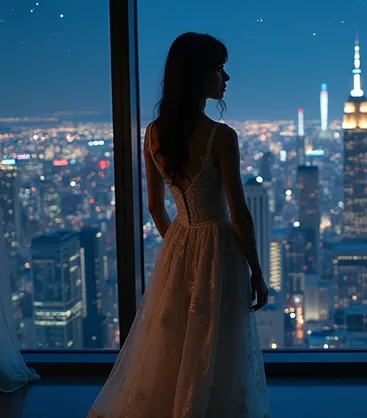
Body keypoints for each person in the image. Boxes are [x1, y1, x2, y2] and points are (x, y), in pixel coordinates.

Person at [87, 32, 270, 418]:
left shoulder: (154, 134)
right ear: (198, 76)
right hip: (220, 247)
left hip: (179, 242)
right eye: (219, 68)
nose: (226, 77)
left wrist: (180, 246)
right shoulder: (221, 137)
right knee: (217, 341)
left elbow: (155, 207)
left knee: (174, 337)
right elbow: (240, 214)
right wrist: (256, 270)